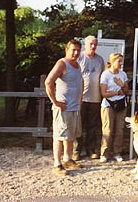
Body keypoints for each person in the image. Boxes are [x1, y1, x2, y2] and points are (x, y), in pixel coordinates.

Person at [45, 39, 84, 176]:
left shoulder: (77, 65)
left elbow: (81, 81)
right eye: (73, 49)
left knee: (71, 135)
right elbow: (48, 82)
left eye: (78, 50)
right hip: (63, 108)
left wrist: (80, 100)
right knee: (59, 135)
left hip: (74, 107)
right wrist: (55, 102)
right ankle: (57, 163)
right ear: (66, 50)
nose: (75, 52)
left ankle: (67, 159)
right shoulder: (62, 63)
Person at [73, 35, 105, 161]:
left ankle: (91, 150)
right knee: (78, 125)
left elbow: (103, 76)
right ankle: (76, 150)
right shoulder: (79, 57)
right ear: (85, 44)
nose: (93, 46)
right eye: (91, 43)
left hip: (95, 98)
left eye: (95, 44)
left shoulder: (100, 59)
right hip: (80, 98)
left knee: (92, 126)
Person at [99, 53, 129, 163]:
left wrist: (122, 85)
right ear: (112, 61)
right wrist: (117, 92)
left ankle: (117, 152)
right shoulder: (105, 75)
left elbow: (126, 91)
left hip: (121, 104)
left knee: (119, 129)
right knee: (108, 129)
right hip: (108, 105)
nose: (121, 64)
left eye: (122, 61)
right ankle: (105, 153)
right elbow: (104, 93)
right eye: (119, 61)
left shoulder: (123, 74)